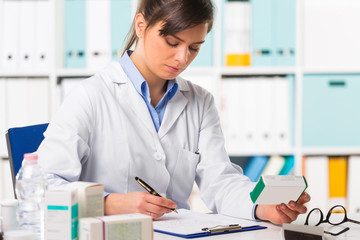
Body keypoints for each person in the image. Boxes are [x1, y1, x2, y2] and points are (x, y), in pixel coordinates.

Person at [37, 0, 310, 224]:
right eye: (172, 42)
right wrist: (110, 202)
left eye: (194, 48)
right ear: (141, 25)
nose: (183, 58)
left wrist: (262, 208)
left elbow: (220, 181)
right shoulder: (91, 96)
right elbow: (42, 185)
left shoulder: (200, 102)